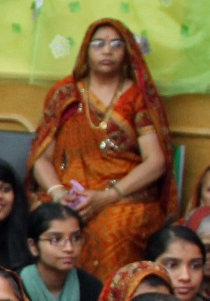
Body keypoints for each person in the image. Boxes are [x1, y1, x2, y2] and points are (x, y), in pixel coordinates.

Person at [31, 19, 176, 282]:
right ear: (86, 50)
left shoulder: (136, 97)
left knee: (113, 228)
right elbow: (41, 158)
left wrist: (107, 196)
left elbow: (155, 162)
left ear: (127, 52)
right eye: (98, 44)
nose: (107, 51)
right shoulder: (65, 94)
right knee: (47, 221)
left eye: (115, 44)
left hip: (124, 195)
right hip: (67, 192)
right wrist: (59, 194)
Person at [21, 201, 103, 301]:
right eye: (55, 239)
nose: (69, 248)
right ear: (33, 246)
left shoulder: (92, 288)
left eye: (76, 238)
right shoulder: (15, 287)